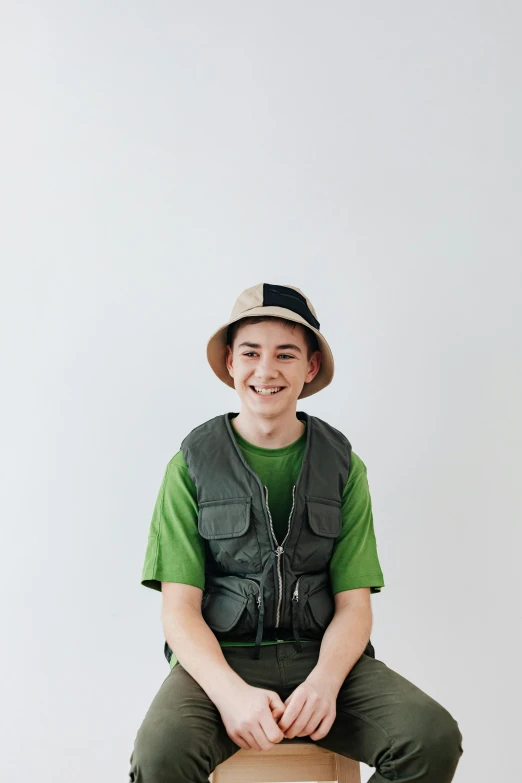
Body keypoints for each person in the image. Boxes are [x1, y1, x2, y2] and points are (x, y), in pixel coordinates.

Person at [129, 283, 464, 782]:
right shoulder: (190, 465)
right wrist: (229, 694)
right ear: (229, 363)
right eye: (251, 352)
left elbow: (355, 604)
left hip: (322, 658)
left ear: (309, 368)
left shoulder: (344, 466)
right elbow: (178, 609)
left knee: (430, 738)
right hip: (222, 662)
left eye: (286, 354)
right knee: (160, 756)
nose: (266, 370)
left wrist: (326, 683)